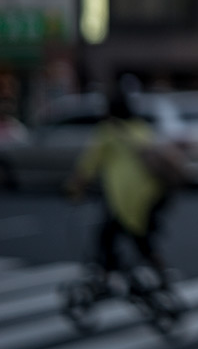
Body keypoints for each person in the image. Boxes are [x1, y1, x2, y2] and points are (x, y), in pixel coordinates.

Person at [66, 86, 171, 291]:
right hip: (152, 192)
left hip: (123, 195)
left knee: (106, 237)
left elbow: (88, 165)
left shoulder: (107, 132)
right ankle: (160, 272)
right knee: (140, 237)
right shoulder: (140, 126)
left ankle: (105, 280)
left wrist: (73, 189)